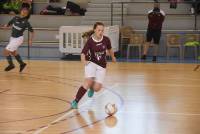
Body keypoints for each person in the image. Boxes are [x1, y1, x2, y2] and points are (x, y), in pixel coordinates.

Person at [71, 22, 116, 109]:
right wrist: (84, 61)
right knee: (88, 81)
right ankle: (75, 101)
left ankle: (92, 88)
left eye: (102, 30)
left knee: (97, 88)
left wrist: (113, 57)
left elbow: (110, 49)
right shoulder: (90, 41)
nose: (101, 32)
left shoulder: (106, 39)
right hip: (91, 63)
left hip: (102, 65)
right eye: (99, 30)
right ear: (95, 30)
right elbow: (83, 53)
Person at [2, 6, 34, 72]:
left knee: (6, 52)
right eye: (23, 10)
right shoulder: (15, 18)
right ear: (21, 11)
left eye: (26, 11)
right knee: (13, 52)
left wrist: (30, 40)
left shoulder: (26, 22)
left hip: (18, 39)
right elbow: (8, 24)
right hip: (12, 38)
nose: (24, 11)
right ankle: (22, 64)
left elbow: (32, 32)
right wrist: (5, 26)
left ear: (27, 14)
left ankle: (11, 65)